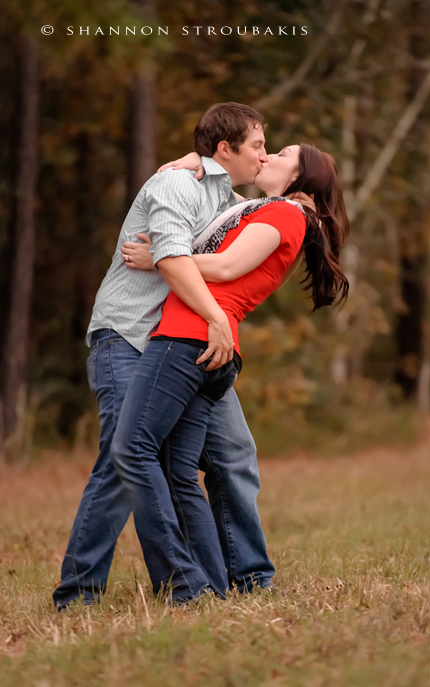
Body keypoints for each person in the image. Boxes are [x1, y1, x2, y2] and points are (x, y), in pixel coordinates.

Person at [54, 103, 276, 609]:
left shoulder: (227, 198)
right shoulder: (176, 185)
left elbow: (228, 251)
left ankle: (228, 580)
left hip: (177, 348)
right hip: (127, 336)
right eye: (258, 144)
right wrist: (214, 316)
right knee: (123, 456)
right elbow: (174, 260)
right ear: (226, 148)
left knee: (218, 456)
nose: (264, 154)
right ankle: (78, 594)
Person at [110, 143, 348, 601]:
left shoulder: (287, 215)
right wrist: (197, 161)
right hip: (205, 340)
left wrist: (160, 256)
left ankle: (214, 580)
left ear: (302, 178)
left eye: (280, 154)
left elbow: (224, 266)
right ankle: (216, 582)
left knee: (147, 451)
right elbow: (222, 193)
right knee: (191, 464)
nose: (267, 156)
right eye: (265, 147)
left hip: (194, 337)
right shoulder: (263, 209)